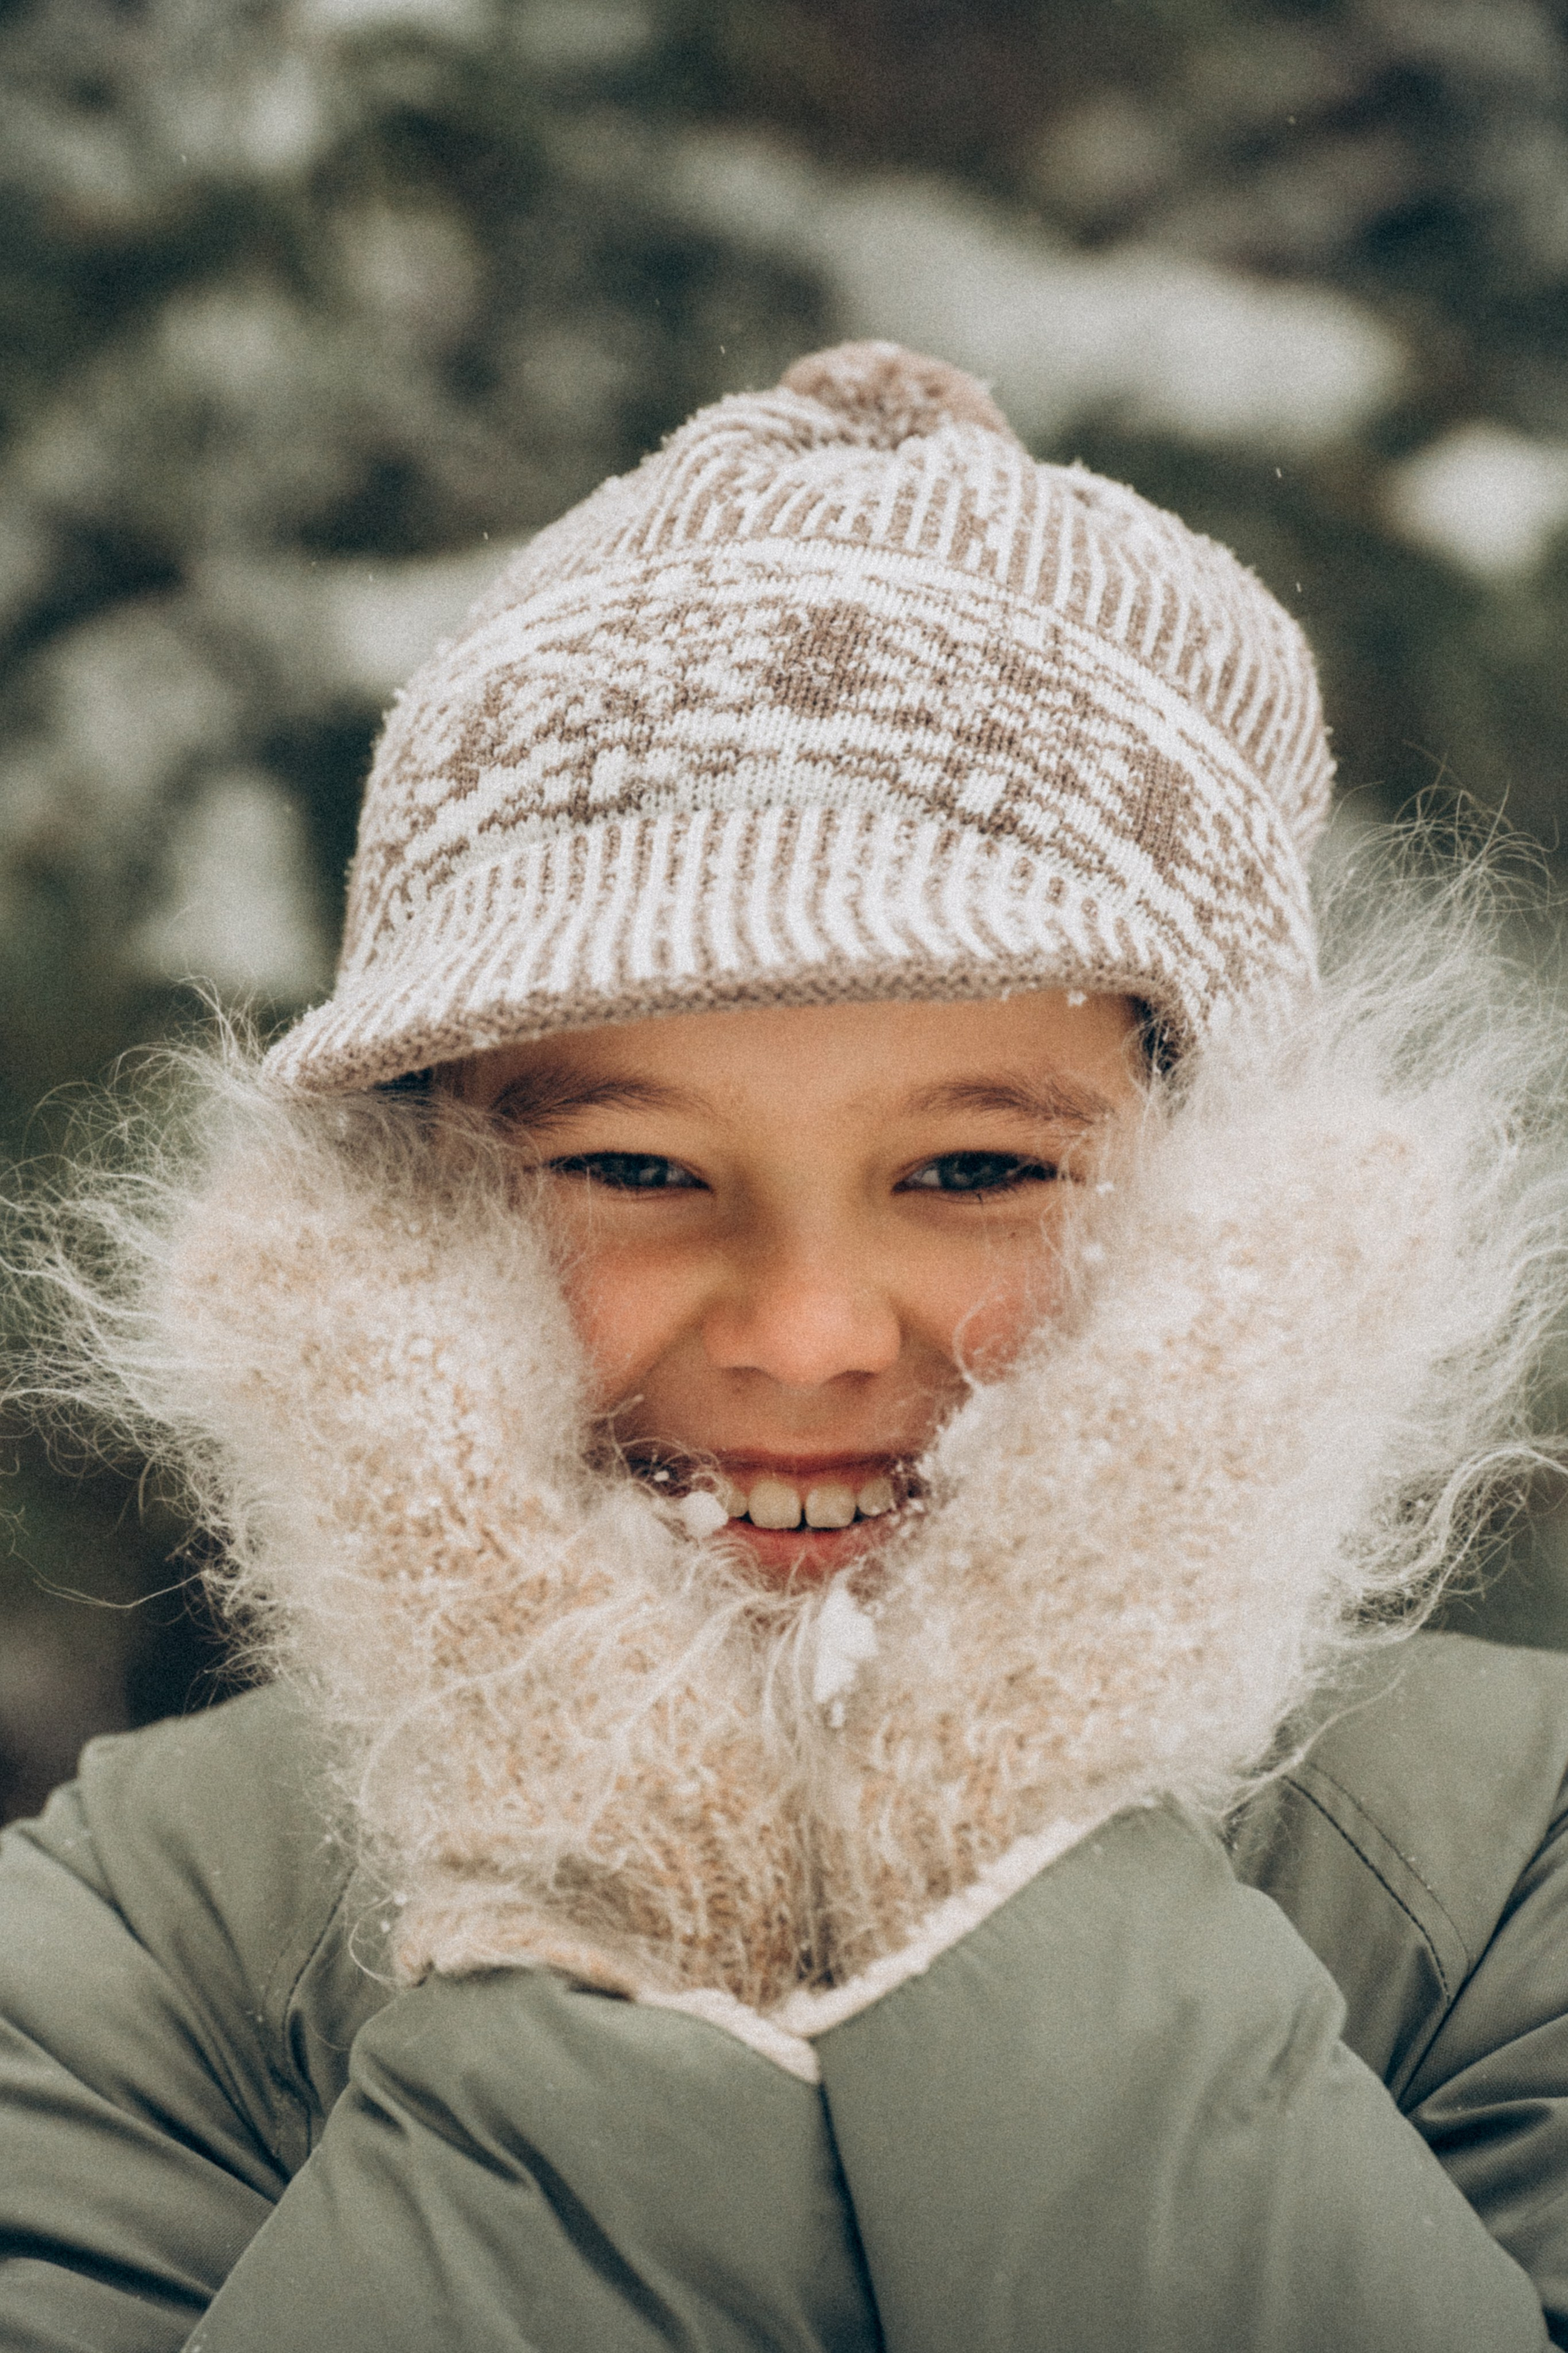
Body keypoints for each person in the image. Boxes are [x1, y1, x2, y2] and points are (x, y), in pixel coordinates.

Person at [3, 339, 1568, 2352]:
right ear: (402, 1224)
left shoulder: (1519, 1856)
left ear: (1236, 1216)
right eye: (640, 1169)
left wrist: (1007, 1835)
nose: (813, 1333)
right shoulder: (157, 1925)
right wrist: (592, 1869)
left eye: (978, 1165)